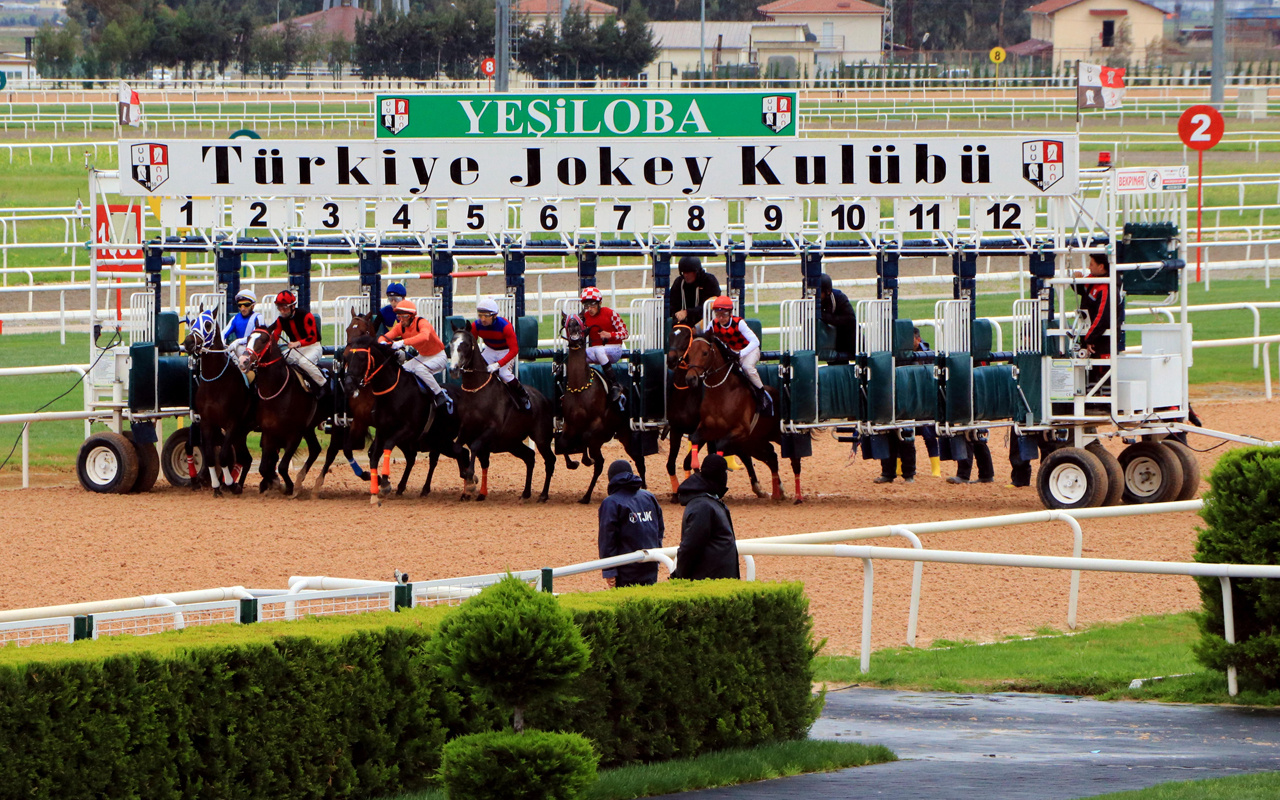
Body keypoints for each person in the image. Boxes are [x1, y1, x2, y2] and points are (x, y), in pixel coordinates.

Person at [875, 328, 939, 482]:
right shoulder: (894, 353)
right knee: (889, 433)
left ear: (918, 339)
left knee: (908, 435)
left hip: (914, 401)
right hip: (896, 398)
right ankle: (888, 472)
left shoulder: (927, 354)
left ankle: (910, 473)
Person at [597, 459, 665, 588]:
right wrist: (656, 554)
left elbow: (607, 539)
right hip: (650, 564)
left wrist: (609, 571)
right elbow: (659, 529)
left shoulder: (611, 503)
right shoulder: (649, 497)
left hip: (625, 570)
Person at [672, 454, 739, 581]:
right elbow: (690, 547)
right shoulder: (703, 506)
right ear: (719, 475)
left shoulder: (707, 501)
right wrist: (680, 576)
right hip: (710, 582)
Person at [379, 299, 452, 411]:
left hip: (438, 356)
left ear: (412, 316)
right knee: (402, 370)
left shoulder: (422, 323)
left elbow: (424, 337)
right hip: (422, 356)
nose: (401, 320)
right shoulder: (400, 326)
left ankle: (439, 394)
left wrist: (402, 342)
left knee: (420, 369)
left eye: (404, 317)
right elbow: (384, 337)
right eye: (399, 317)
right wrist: (382, 342)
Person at [704, 295, 772, 415]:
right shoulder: (713, 324)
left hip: (749, 350)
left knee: (747, 368)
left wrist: (740, 354)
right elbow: (704, 338)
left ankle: (762, 396)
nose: (720, 318)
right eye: (717, 314)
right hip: (732, 352)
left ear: (730, 313)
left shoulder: (739, 323)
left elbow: (755, 341)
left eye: (724, 314)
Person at [468, 297, 531, 410]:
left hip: (505, 351)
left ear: (494, 315)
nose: (482, 319)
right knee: (478, 369)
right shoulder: (475, 325)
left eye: (486, 316)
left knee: (503, 373)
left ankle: (523, 395)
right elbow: (473, 343)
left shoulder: (505, 326)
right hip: (490, 349)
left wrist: (498, 364)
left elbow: (514, 350)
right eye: (480, 315)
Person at [267, 290, 326, 396]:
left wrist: (297, 343)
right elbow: (275, 337)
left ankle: (323, 384)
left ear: (293, 306)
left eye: (284, 308)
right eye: (279, 308)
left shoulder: (306, 316)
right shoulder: (280, 320)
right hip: (296, 349)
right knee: (278, 361)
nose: (282, 311)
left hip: (313, 347)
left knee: (303, 362)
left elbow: (313, 338)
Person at [579, 286, 628, 408]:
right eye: (586, 306)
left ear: (600, 303)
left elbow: (625, 333)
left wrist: (610, 334)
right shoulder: (585, 317)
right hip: (596, 350)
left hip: (614, 349)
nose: (590, 309)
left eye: (593, 305)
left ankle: (614, 384)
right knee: (579, 355)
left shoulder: (611, 313)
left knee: (599, 351)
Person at [1075, 253, 1119, 359]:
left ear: (1101, 267)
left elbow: (1102, 317)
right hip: (1093, 338)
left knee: (1101, 373)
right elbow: (1084, 291)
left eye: (1091, 264)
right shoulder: (1093, 279)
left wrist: (1089, 338)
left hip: (1102, 341)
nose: (1089, 267)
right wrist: (1077, 281)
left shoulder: (1106, 287)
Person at [667, 255, 721, 328]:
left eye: (689, 272)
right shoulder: (679, 283)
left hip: (706, 322)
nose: (686, 275)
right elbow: (673, 304)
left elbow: (711, 305)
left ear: (696, 272)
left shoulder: (709, 281)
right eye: (684, 272)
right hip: (684, 325)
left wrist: (687, 312)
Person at [818, 273, 856, 356]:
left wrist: (824, 316)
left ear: (827, 292)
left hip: (848, 338)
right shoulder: (809, 300)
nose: (816, 295)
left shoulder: (839, 297)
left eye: (819, 292)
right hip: (827, 341)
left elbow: (851, 319)